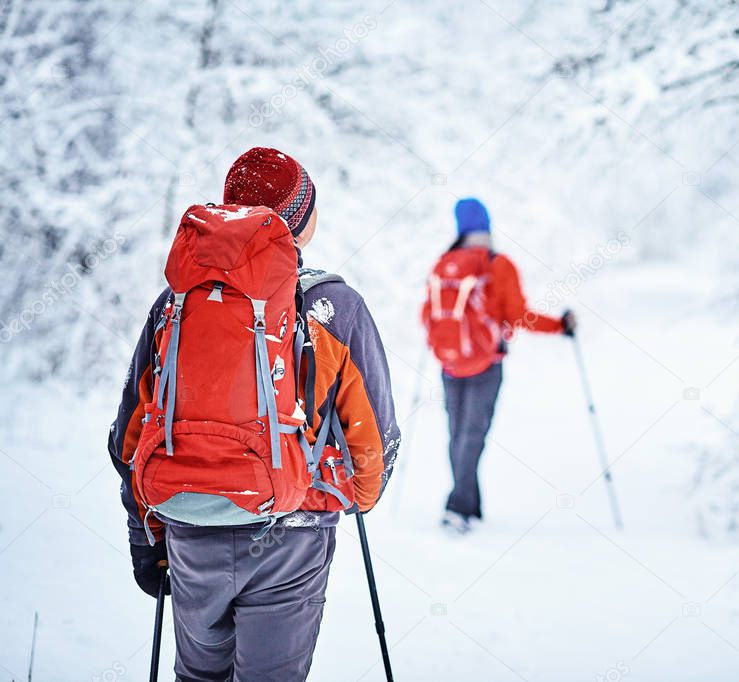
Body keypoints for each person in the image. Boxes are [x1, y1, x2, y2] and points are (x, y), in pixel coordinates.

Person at [107, 147, 399, 680]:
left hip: (189, 525)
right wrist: (342, 494)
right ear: (300, 224)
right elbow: (372, 443)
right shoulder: (334, 306)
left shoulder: (176, 303)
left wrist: (143, 535)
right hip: (291, 532)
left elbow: (130, 436)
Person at [421, 197, 575, 534]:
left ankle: (469, 507)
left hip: (449, 364)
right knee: (472, 437)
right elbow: (520, 316)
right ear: (487, 226)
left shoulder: (444, 263)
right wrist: (561, 326)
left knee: (458, 435)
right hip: (484, 365)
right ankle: (457, 509)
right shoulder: (497, 264)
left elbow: (425, 314)